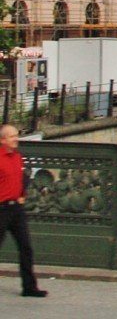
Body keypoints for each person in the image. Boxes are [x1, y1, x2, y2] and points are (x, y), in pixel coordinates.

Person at [0, 125, 48, 297]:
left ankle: (29, 287)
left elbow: (21, 178)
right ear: (3, 140)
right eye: (12, 136)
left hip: (16, 209)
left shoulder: (18, 157)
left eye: (16, 135)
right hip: (1, 209)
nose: (16, 139)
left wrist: (22, 195)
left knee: (26, 247)